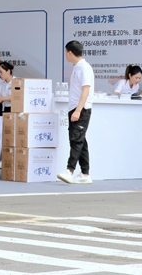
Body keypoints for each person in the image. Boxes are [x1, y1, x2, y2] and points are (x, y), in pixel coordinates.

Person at [58, 40, 95, 185]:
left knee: (76, 140)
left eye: (66, 52)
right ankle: (85, 173)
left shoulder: (84, 68)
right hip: (75, 108)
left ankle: (70, 170)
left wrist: (78, 110)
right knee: (81, 141)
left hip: (81, 109)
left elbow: (86, 90)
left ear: (70, 52)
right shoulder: (77, 67)